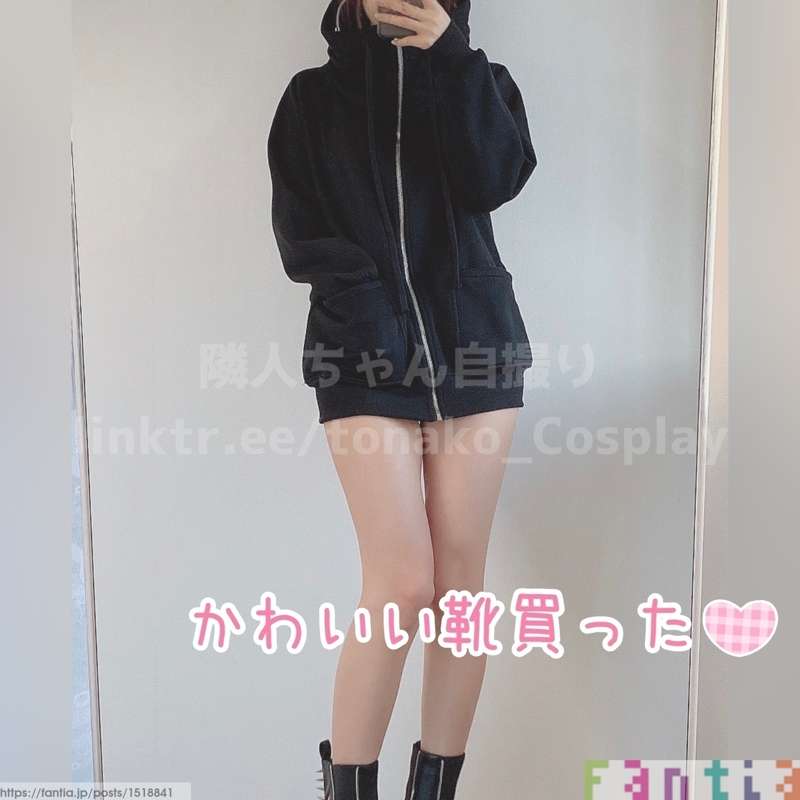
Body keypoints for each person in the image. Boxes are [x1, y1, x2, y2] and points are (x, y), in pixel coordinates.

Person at [267, 0, 537, 796]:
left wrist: (451, 61)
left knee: (460, 588)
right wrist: (377, 322)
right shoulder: (311, 99)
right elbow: (303, 239)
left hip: (477, 345)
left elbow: (497, 179)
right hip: (359, 353)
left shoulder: (482, 81)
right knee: (402, 583)